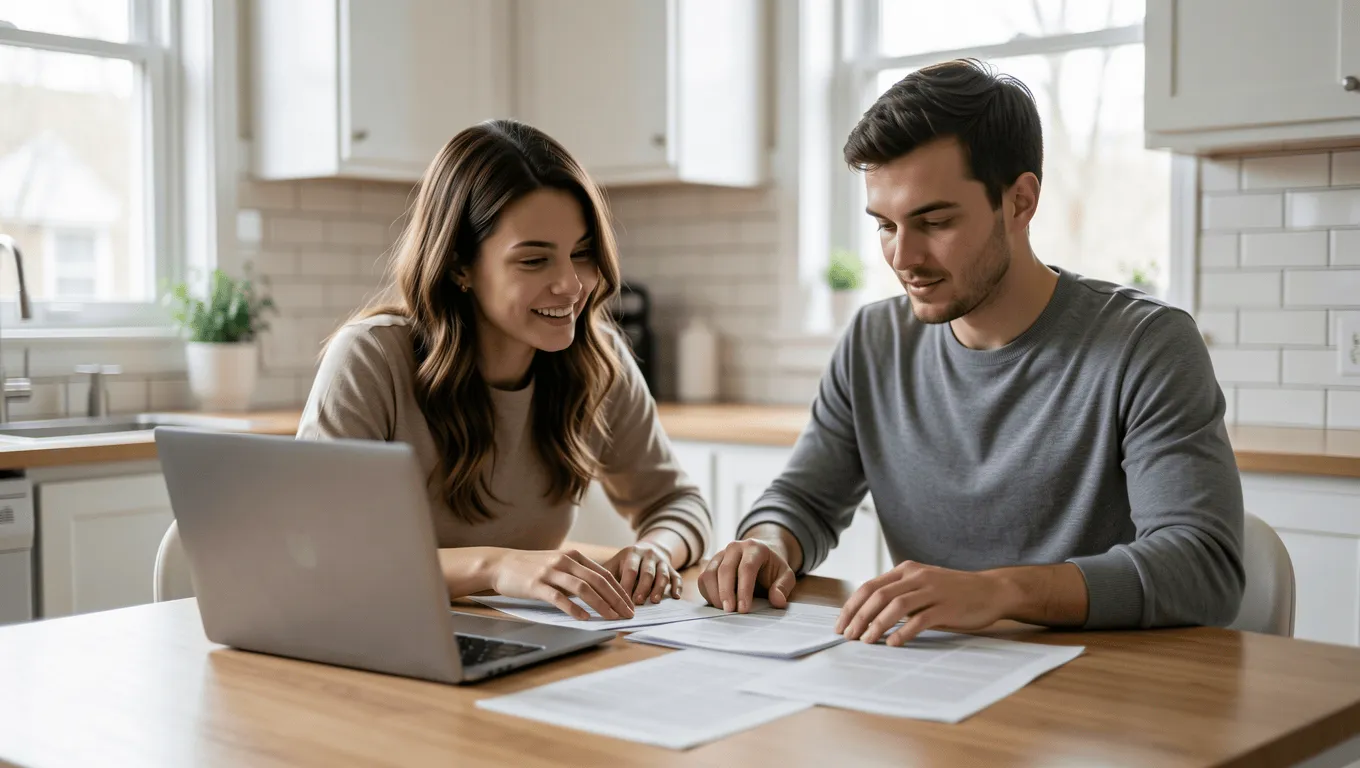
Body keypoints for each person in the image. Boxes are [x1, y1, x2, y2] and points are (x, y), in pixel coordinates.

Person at [697, 59, 1244, 644]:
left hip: (1100, 696)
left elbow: (1203, 566)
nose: (902, 257)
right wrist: (766, 541)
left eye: (933, 221)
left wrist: (999, 591)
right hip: (934, 681)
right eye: (884, 225)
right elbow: (803, 499)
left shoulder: (1145, 344)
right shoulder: (873, 341)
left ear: (1019, 203)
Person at [298, 120, 711, 622]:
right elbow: (324, 556)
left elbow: (676, 502)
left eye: (582, 254)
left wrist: (656, 552)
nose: (571, 285)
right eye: (534, 260)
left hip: (518, 645)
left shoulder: (596, 360)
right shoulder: (371, 359)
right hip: (379, 641)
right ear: (458, 266)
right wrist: (495, 568)